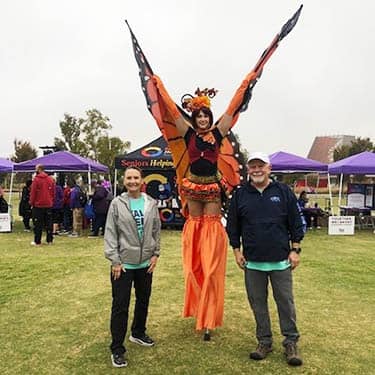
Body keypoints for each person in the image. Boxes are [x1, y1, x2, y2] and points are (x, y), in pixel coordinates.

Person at [128, 6, 302, 340]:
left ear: (210, 118)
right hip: (192, 187)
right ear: (195, 119)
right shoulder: (187, 133)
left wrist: (249, 80)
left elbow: (235, 107)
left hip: (213, 190)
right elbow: (165, 105)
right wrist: (157, 82)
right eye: (201, 117)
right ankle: (197, 303)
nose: (204, 121)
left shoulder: (219, 133)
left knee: (211, 244)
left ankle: (210, 305)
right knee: (195, 244)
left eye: (207, 117)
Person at [226, 152, 305, 366]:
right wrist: (236, 251)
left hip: (281, 261)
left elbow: (296, 222)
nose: (257, 170)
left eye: (261, 166)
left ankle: (290, 342)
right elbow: (232, 226)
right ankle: (264, 341)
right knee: (258, 304)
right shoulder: (240, 194)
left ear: (269, 168)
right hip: (252, 262)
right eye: (253, 166)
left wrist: (295, 249)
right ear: (248, 170)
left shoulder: (283, 191)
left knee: (285, 303)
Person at [104, 166, 161, 368]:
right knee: (120, 306)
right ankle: (117, 348)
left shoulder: (150, 203)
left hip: (145, 263)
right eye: (129, 178)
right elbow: (110, 233)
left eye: (136, 177)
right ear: (124, 181)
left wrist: (155, 254)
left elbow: (156, 230)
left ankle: (138, 333)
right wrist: (115, 260)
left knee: (143, 300)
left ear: (141, 180)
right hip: (124, 265)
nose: (133, 181)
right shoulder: (116, 204)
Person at [29, 164, 55, 246]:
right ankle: (49, 240)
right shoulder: (50, 180)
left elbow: (33, 193)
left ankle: (37, 241)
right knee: (49, 224)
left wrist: (31, 203)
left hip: (38, 205)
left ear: (39, 169)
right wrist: (51, 200)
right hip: (48, 205)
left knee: (38, 224)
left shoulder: (36, 180)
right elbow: (53, 192)